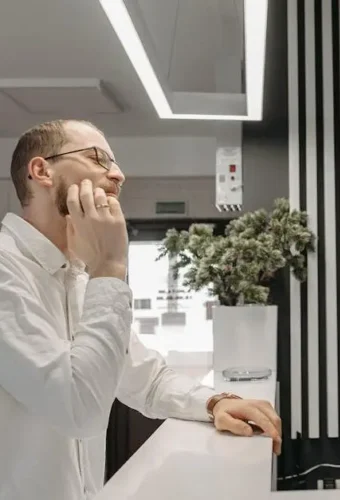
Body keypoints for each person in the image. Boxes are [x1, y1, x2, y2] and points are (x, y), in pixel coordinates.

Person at [0, 120, 282, 500]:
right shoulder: (8, 271)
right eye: (98, 157)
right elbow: (78, 410)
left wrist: (215, 402)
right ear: (41, 170)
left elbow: (143, 378)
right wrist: (111, 268)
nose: (118, 174)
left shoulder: (77, 276)